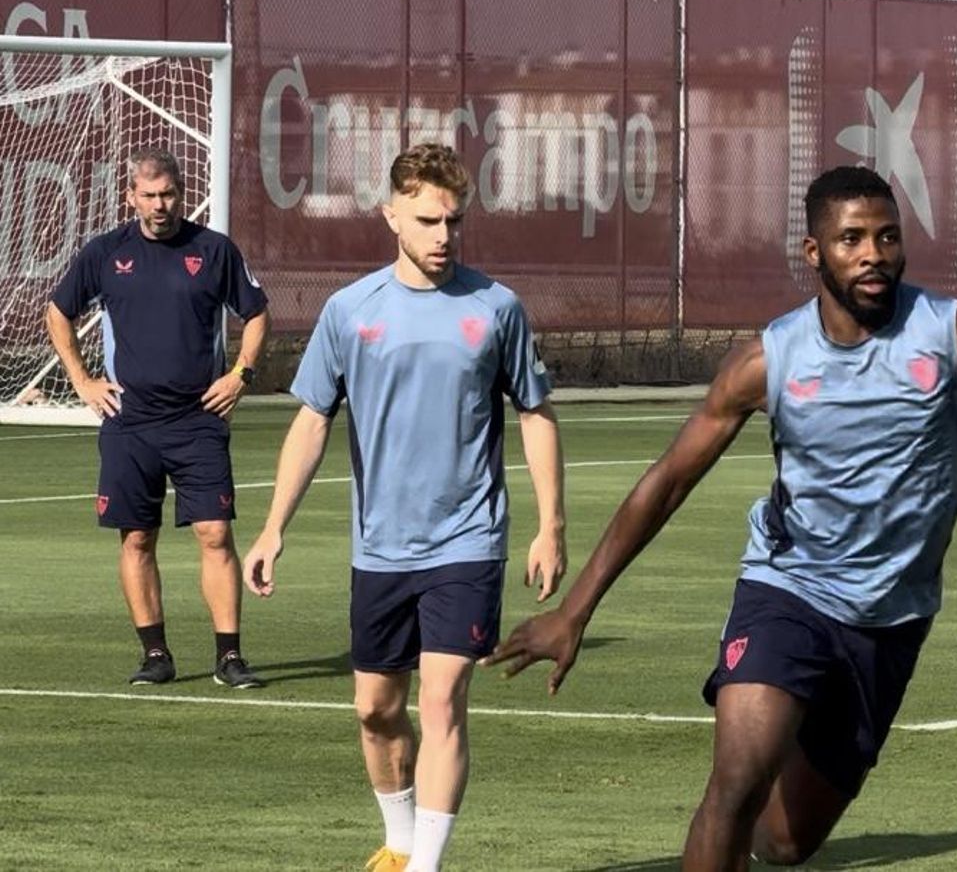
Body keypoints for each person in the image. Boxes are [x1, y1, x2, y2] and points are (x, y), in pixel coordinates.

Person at [485, 166, 957, 870]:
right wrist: (576, 610)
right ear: (815, 252)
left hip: (892, 617)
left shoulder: (949, 332)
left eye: (887, 237)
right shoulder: (770, 359)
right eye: (851, 239)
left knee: (784, 840)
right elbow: (669, 479)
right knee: (736, 783)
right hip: (788, 589)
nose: (872, 254)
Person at [240, 143, 567, 872]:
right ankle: (399, 843)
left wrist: (551, 525)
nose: (443, 236)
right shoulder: (349, 311)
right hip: (380, 547)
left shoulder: (496, 307)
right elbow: (312, 421)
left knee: (443, 699)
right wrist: (271, 529)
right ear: (390, 216)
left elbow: (535, 413)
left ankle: (426, 867)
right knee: (375, 710)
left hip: (468, 540)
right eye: (426, 221)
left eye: (453, 221)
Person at [45, 147, 271, 690]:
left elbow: (256, 313)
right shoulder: (105, 253)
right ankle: (155, 655)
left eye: (168, 193)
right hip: (130, 423)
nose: (159, 205)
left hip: (198, 419)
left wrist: (240, 375)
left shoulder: (213, 250)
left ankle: (229, 657)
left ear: (182, 193)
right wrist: (82, 380)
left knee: (215, 533)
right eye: (148, 195)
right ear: (131, 197)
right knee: (137, 539)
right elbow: (58, 312)